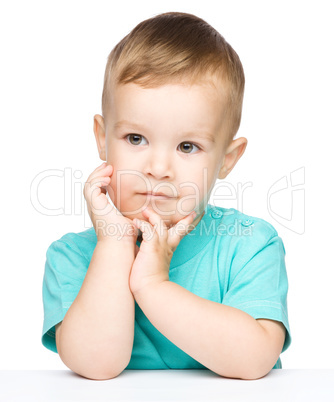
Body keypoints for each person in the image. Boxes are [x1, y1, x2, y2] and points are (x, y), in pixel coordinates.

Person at [41, 11, 291, 381]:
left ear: (227, 159)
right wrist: (114, 243)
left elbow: (254, 360)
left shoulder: (250, 244)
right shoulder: (72, 256)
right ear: (102, 137)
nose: (158, 168)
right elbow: (95, 365)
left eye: (187, 146)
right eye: (135, 139)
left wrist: (153, 285)